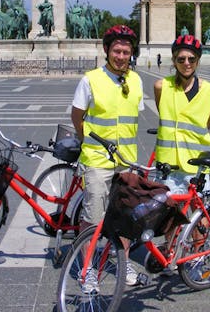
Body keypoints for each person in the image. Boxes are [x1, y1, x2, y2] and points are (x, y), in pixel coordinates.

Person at [71, 24, 144, 289]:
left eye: (126, 52)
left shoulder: (136, 80)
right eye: (117, 51)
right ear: (106, 50)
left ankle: (123, 265)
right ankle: (87, 268)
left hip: (126, 161)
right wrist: (87, 143)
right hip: (98, 161)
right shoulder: (90, 79)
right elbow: (77, 116)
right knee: (93, 217)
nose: (121, 56)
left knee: (125, 218)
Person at [153, 35, 210, 276]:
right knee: (171, 215)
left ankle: (196, 260)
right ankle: (172, 253)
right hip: (169, 162)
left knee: (199, 217)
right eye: (181, 59)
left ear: (198, 61)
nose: (186, 63)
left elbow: (207, 123)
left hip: (198, 164)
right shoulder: (161, 86)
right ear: (174, 60)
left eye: (191, 58)